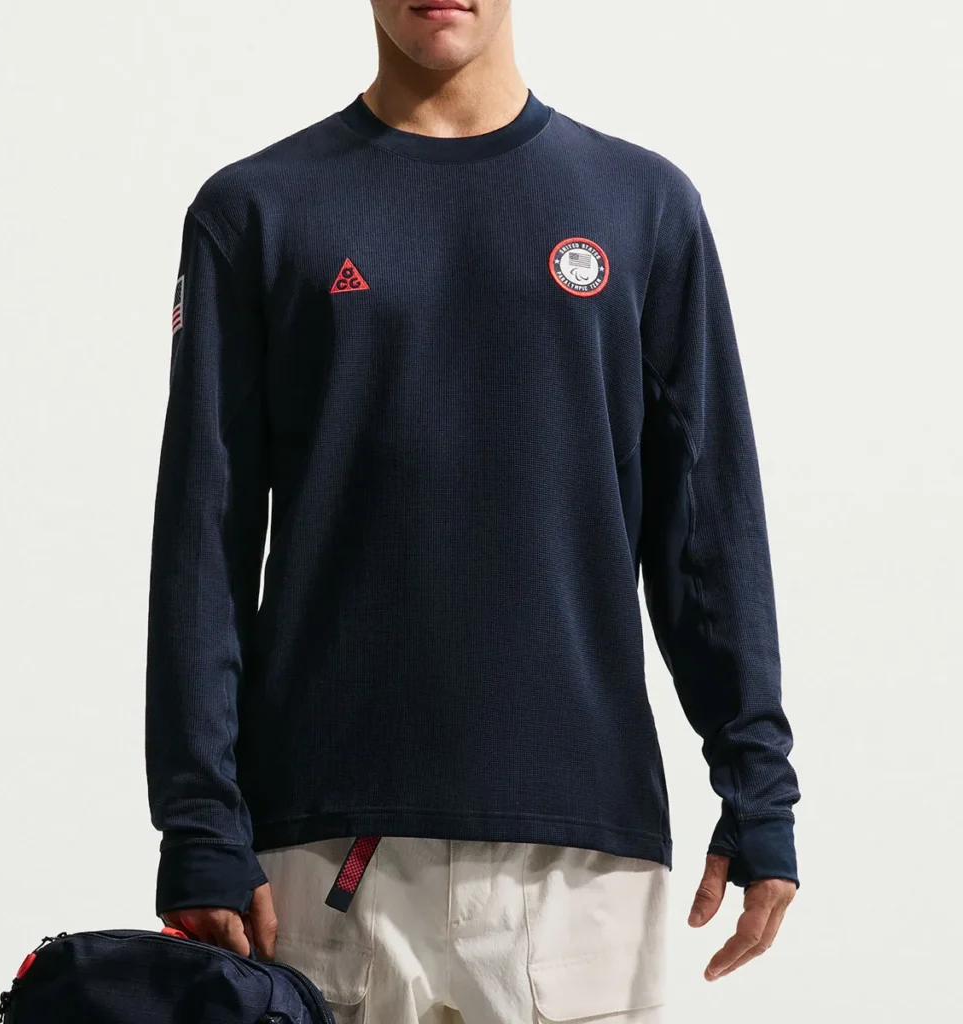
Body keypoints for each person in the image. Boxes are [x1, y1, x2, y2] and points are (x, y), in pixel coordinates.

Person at [144, 1, 801, 1020]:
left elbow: (707, 525)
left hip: (580, 855)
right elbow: (203, 537)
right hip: (323, 851)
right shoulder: (256, 211)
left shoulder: (643, 205)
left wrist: (757, 782)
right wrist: (197, 821)